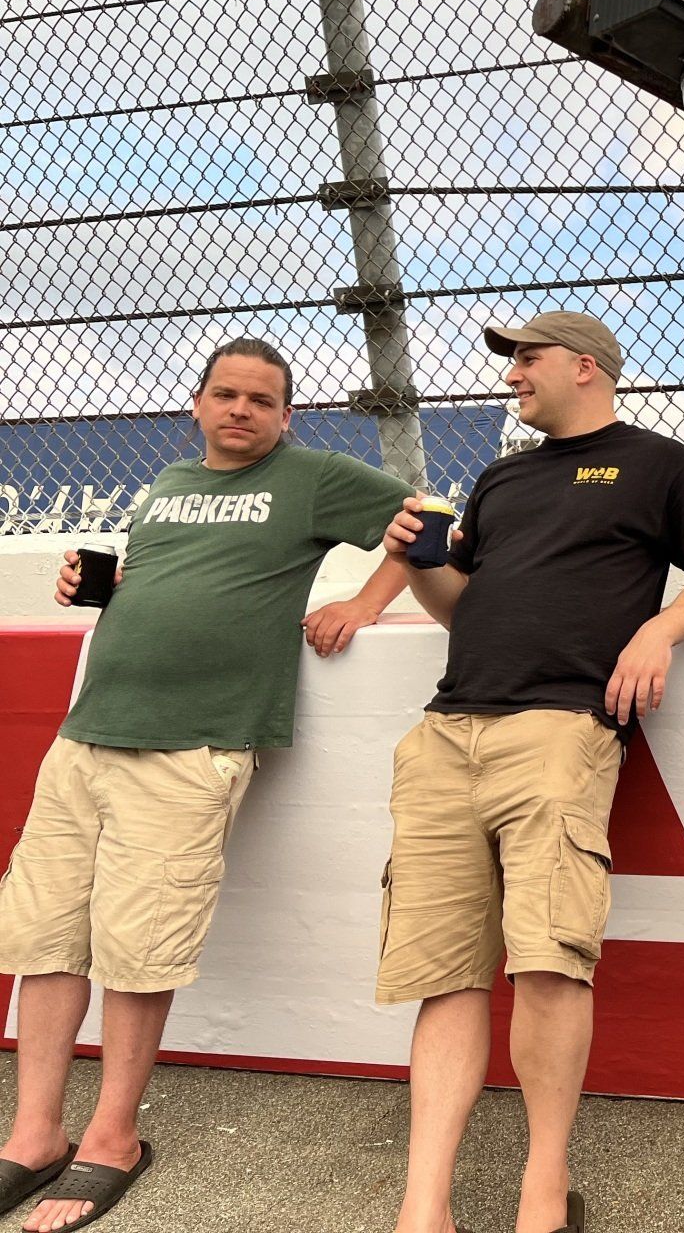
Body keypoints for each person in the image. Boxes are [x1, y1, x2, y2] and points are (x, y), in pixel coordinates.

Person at [0, 337, 413, 1233]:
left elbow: (430, 521)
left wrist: (363, 602)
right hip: (86, 738)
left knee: (139, 948)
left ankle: (113, 1137)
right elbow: (163, 586)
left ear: (285, 416)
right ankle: (34, 1133)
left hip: (193, 748)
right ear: (196, 403)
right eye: (225, 394)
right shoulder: (167, 486)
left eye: (260, 401)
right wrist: (96, 584)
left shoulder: (311, 477)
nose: (240, 410)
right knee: (47, 938)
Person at [378, 311, 684, 1233]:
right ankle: (425, 1207)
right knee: (447, 973)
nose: (511, 377)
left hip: (560, 731)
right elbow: (461, 608)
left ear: (586, 367)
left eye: (525, 360)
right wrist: (418, 564)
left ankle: (543, 1191)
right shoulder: (499, 478)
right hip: (446, 731)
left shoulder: (662, 463)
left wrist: (657, 631)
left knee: (546, 963)